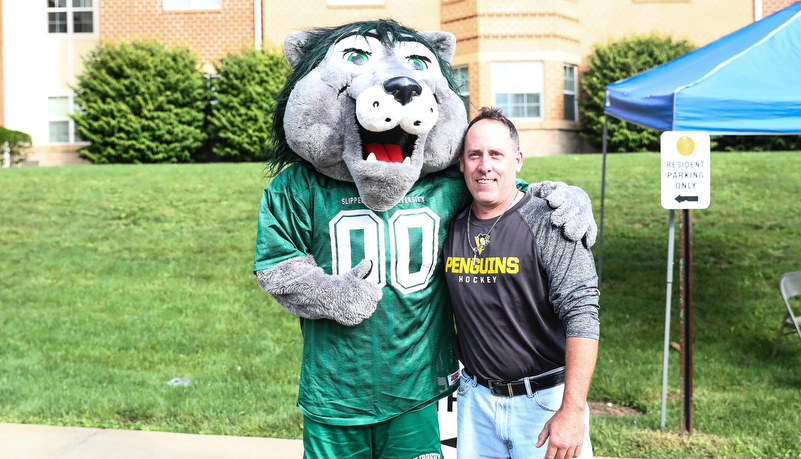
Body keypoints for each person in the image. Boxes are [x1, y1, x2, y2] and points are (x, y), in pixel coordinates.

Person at [443, 107, 600, 459]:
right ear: (462, 164)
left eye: (496, 154)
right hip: (477, 404)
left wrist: (572, 411)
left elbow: (583, 314)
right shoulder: (450, 225)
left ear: (517, 160)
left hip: (544, 404)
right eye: (475, 155)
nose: (485, 166)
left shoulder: (551, 221)